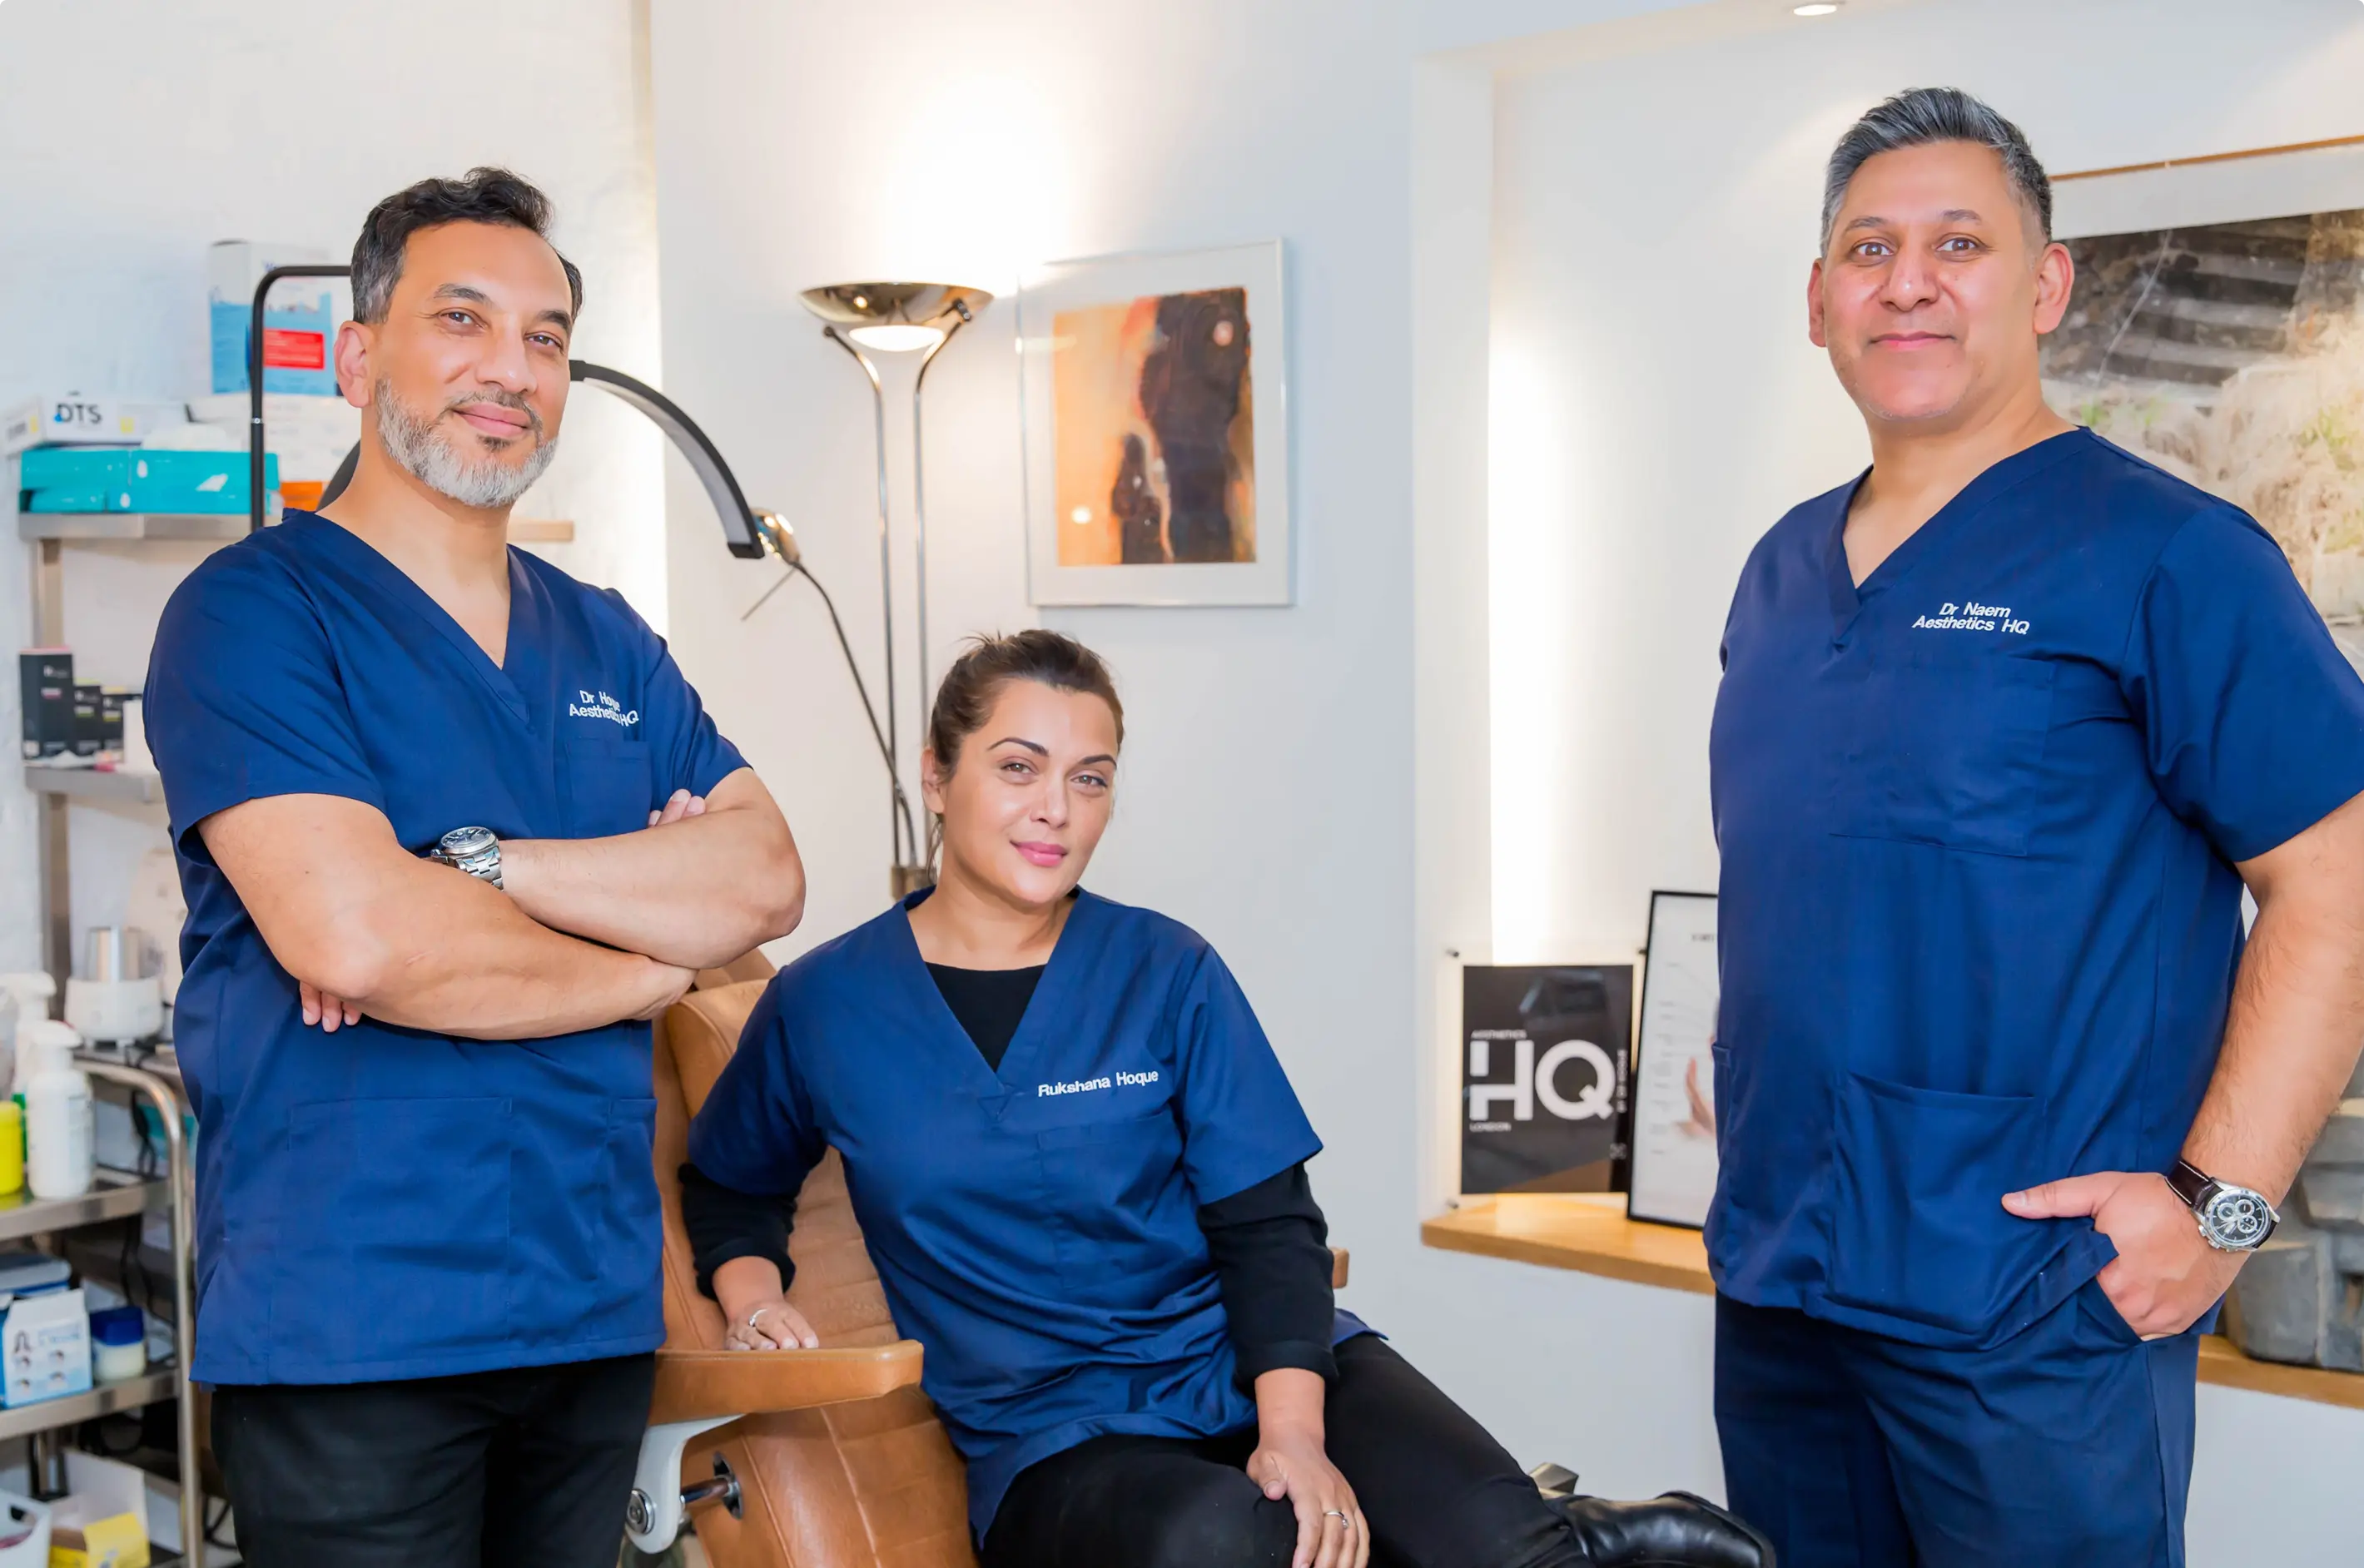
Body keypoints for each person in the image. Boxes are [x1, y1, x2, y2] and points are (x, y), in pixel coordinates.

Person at [683, 631, 1770, 1568]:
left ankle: (1546, 1531)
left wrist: (1293, 1431)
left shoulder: (1167, 970)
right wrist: (748, 1298)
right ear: (936, 773)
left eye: (1092, 777)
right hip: (1052, 1442)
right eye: (1019, 768)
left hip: (1247, 1363)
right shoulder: (828, 1004)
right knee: (1241, 1545)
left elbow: (1271, 1227)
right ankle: (1549, 1515)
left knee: (1498, 1548)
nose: (1054, 811)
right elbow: (732, 1181)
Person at [1708, 87, 2364, 1567]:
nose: (1910, 279)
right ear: (1820, 304)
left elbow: (2341, 880)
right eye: (1868, 249)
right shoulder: (1779, 572)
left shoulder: (2170, 558)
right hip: (1783, 1293)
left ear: (2048, 284)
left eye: (1961, 242)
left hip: (2034, 1309)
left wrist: (2224, 1211)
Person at [143, 169, 806, 1568]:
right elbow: (358, 939)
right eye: (464, 320)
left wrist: (478, 871)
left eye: (549, 336)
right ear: (356, 353)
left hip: (587, 1303)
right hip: (355, 1325)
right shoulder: (253, 616)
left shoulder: (608, 638)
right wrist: (650, 961)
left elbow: (761, 881)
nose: (513, 369)